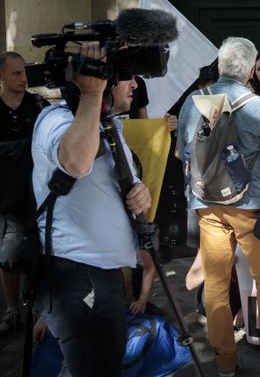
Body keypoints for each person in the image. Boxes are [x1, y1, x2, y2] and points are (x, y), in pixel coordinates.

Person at [31, 42, 151, 376]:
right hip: (73, 273)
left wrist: (143, 194)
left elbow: (122, 183)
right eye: (126, 76)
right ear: (101, 80)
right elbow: (75, 162)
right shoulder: (55, 119)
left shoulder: (110, 122)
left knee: (106, 368)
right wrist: (90, 95)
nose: (135, 84)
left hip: (105, 273)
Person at [177, 37, 260, 376]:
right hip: (253, 207)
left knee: (214, 285)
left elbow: (185, 154)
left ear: (218, 67)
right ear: (248, 73)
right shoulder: (258, 106)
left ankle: (225, 363)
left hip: (207, 205)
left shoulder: (193, 102)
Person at [0, 51, 48, 335]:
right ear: (2, 76)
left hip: (35, 188)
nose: (23, 78)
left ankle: (37, 304)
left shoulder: (38, 104)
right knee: (6, 251)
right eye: (16, 73)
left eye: (24, 72)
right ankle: (11, 308)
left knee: (37, 246)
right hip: (5, 192)